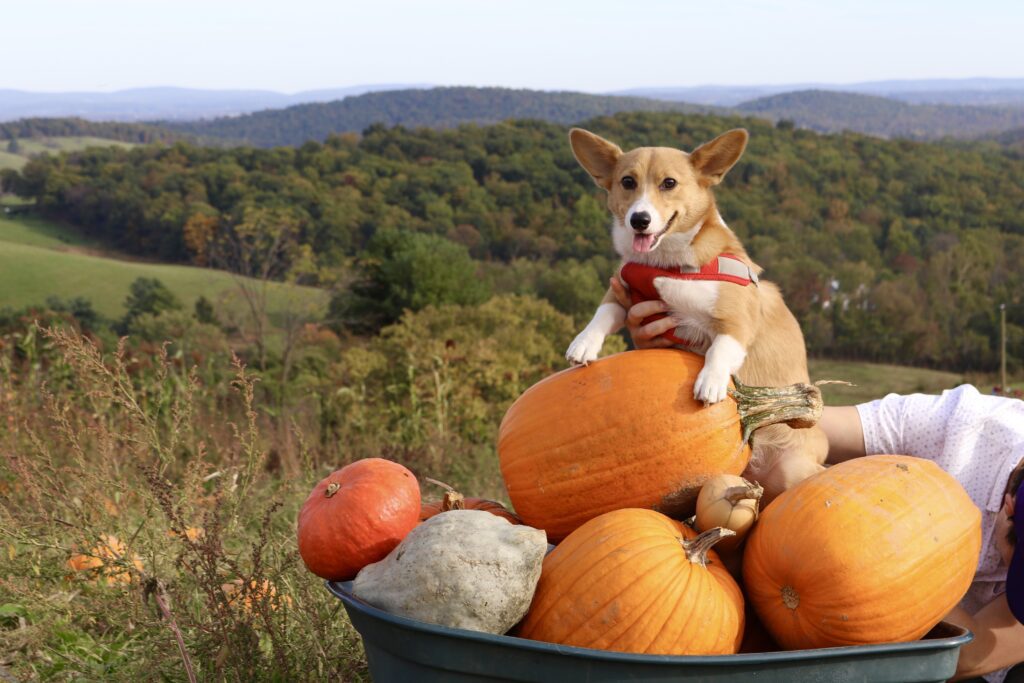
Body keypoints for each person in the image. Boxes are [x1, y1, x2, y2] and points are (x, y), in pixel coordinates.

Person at [611, 279, 1024, 683]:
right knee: (787, 470)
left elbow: (965, 656)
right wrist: (683, 363)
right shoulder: (961, 425)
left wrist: (904, 573)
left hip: (897, 650)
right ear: (1008, 503)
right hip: (789, 576)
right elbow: (797, 424)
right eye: (1017, 559)